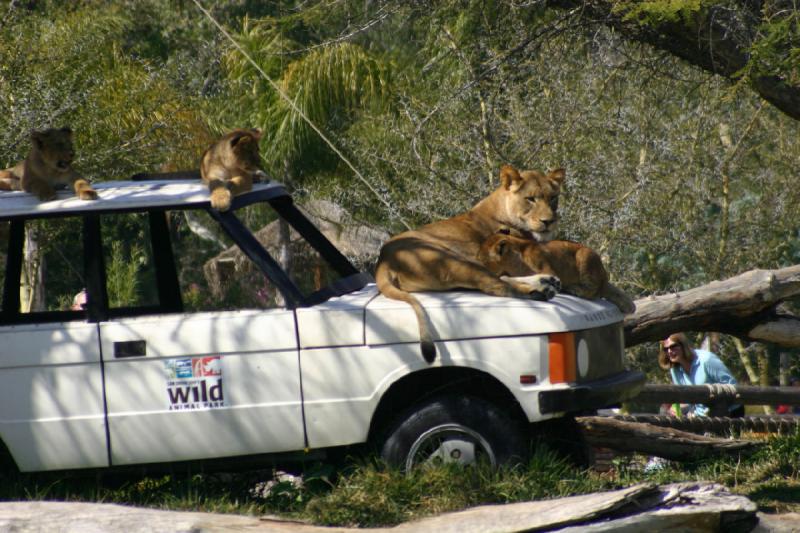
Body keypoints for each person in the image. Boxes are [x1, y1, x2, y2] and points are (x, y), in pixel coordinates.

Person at [658, 333, 743, 417]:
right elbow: (684, 396)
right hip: (699, 414)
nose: (669, 351)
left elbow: (732, 386)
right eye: (666, 349)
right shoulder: (674, 368)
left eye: (673, 347)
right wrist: (675, 409)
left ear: (683, 345)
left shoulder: (706, 360)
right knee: (664, 411)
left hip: (729, 412)